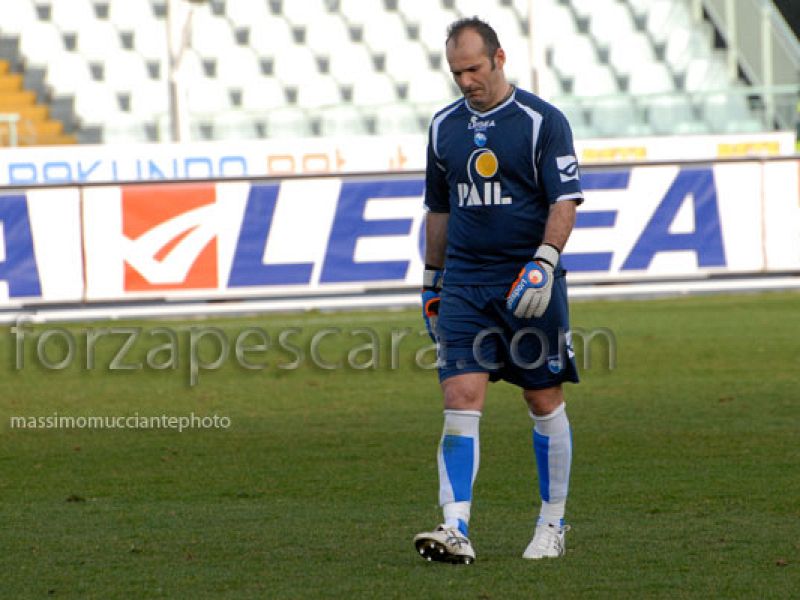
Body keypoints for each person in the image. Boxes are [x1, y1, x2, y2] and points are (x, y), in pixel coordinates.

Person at [413, 17, 583, 564]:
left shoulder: (541, 122)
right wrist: (430, 281)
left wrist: (545, 260)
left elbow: (564, 201)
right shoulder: (443, 127)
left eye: (474, 69)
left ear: (500, 58)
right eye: (456, 72)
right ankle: (455, 527)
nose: (465, 81)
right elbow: (438, 210)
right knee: (459, 397)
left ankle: (553, 522)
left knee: (543, 398)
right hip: (464, 283)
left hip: (528, 281)